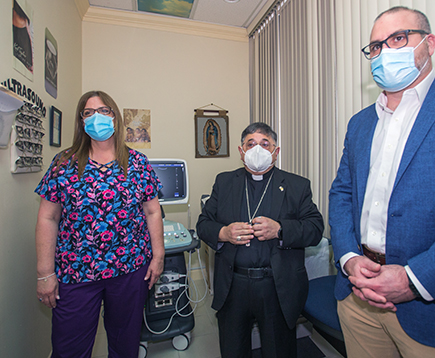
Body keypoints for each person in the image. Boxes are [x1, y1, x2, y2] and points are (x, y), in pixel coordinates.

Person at [329, 6, 435, 358]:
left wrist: (412, 279)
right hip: (358, 298)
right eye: (375, 46)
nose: (383, 52)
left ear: (429, 43)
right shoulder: (359, 124)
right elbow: (342, 193)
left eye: (398, 38)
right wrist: (347, 257)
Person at [35, 90, 165, 358]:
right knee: (69, 348)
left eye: (104, 111)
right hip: (77, 272)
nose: (97, 117)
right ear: (81, 121)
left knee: (125, 345)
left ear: (115, 118)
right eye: (89, 112)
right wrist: (45, 273)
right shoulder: (64, 163)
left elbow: (152, 212)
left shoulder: (137, 163)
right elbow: (48, 217)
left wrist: (159, 255)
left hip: (130, 268)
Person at [197, 122, 324, 358]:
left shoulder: (297, 185)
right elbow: (203, 224)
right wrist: (223, 233)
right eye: (251, 144)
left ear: (276, 152)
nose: (258, 149)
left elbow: (315, 229)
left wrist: (280, 229)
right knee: (233, 350)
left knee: (279, 351)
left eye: (265, 144)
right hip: (233, 284)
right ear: (241, 150)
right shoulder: (224, 182)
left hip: (277, 286)